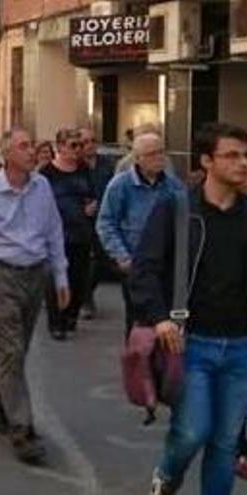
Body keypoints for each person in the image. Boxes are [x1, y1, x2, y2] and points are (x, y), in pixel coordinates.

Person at [132, 123, 247, 495]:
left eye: (246, 156)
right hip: (191, 343)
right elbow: (144, 268)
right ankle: (167, 474)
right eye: (232, 155)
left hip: (241, 346)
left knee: (226, 442)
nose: (243, 163)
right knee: (192, 432)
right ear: (206, 161)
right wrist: (161, 318)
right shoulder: (177, 208)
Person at [0, 127, 70, 465]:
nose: (32, 150)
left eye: (32, 144)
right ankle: (21, 427)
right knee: (12, 347)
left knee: (15, 348)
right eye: (24, 146)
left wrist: (61, 276)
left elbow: (54, 231)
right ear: (7, 154)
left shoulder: (42, 187)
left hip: (35, 273)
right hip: (0, 272)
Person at [95, 132, 183, 335]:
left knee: (167, 321)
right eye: (152, 154)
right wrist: (122, 257)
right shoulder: (121, 185)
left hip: (167, 267)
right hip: (135, 265)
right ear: (137, 158)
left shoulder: (174, 187)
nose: (159, 158)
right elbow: (106, 222)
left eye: (162, 152)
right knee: (139, 324)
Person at [39, 128, 95, 340]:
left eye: (80, 145)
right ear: (60, 147)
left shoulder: (84, 170)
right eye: (73, 145)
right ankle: (56, 322)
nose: (78, 149)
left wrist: (91, 207)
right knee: (55, 280)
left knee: (78, 279)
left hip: (80, 234)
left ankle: (71, 315)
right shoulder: (46, 174)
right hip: (56, 236)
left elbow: (91, 195)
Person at [78, 126, 117, 320]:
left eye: (93, 141)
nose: (89, 145)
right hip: (81, 221)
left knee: (102, 260)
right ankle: (85, 298)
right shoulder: (75, 166)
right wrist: (81, 207)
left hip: (104, 218)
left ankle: (86, 293)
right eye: (85, 142)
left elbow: (113, 189)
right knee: (85, 260)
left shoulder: (107, 164)